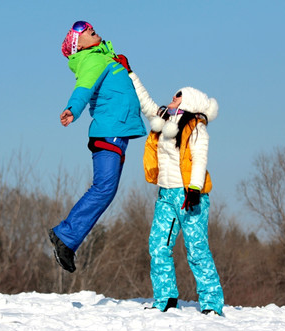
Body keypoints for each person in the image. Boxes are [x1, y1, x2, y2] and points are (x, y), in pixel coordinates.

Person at [118, 57, 224, 315]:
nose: (172, 99)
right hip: (166, 194)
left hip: (190, 196)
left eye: (178, 97)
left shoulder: (197, 130)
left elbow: (199, 160)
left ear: (188, 103)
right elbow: (146, 103)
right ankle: (165, 298)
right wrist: (130, 73)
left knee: (197, 250)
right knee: (158, 246)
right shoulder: (166, 122)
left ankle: (212, 303)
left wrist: (195, 190)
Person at [49, 21, 146, 273]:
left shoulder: (107, 58)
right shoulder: (91, 59)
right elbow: (84, 87)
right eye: (82, 30)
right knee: (104, 187)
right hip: (110, 130)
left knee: (107, 189)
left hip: (117, 130)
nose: (90, 27)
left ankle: (67, 237)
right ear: (77, 45)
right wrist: (73, 109)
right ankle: (65, 237)